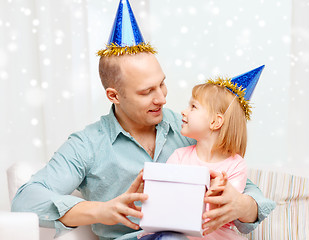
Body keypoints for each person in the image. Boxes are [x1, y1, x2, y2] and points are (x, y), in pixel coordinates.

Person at [11, 1, 275, 240]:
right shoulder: (88, 144)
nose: (161, 98)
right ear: (114, 95)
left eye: (162, 84)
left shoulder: (187, 130)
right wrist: (102, 211)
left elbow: (243, 187)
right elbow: (26, 200)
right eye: (147, 91)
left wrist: (243, 206)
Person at [165, 76, 259, 240]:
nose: (184, 111)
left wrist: (218, 193)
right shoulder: (178, 157)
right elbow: (166, 200)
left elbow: (226, 210)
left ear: (216, 121)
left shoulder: (236, 165)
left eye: (193, 106)